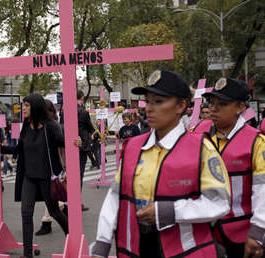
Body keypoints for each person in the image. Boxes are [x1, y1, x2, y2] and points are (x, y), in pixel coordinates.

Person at [91, 70, 231, 258]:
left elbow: (219, 202)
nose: (149, 108)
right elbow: (115, 196)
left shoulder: (201, 148)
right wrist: (102, 241)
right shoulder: (133, 146)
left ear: (181, 105)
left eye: (158, 101)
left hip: (185, 251)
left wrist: (170, 211)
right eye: (147, 101)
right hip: (135, 248)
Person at [0, 93, 80, 258]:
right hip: (29, 177)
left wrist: (76, 141)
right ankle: (27, 254)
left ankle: (74, 241)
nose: (23, 108)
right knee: (26, 214)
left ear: (34, 106)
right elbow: (19, 149)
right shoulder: (26, 126)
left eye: (26, 105)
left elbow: (64, 142)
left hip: (47, 179)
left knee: (55, 211)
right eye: (23, 105)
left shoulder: (51, 126)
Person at [197, 77, 265, 258]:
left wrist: (258, 231)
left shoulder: (255, 141)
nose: (214, 108)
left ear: (240, 107)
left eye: (223, 104)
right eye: (212, 102)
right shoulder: (199, 135)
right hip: (202, 233)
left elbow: (262, 189)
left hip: (241, 234)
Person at [34, 99, 68, 236]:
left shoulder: (54, 125)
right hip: (50, 167)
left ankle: (47, 222)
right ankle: (59, 212)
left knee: (52, 197)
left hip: (54, 167)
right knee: (53, 198)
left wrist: (65, 166)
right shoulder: (44, 124)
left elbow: (62, 146)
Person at [77, 90, 96, 211]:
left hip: (68, 145)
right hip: (82, 146)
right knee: (79, 175)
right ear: (82, 98)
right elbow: (90, 128)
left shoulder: (65, 111)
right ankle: (77, 202)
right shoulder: (83, 112)